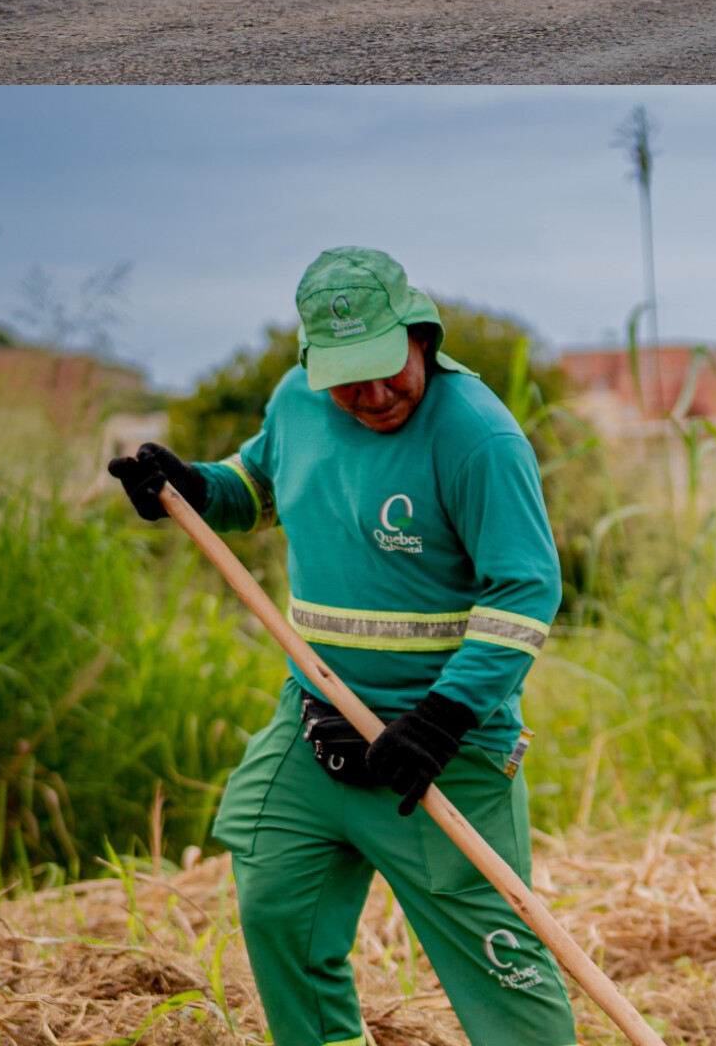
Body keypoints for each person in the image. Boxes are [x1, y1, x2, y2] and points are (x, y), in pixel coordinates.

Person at [106, 247, 572, 1046]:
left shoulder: (478, 436)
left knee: (501, 964)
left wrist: (442, 720)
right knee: (276, 901)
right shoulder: (296, 403)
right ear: (313, 365)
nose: (375, 393)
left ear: (421, 336)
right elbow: (259, 489)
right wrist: (194, 488)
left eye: (387, 368)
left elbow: (525, 591)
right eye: (349, 378)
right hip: (317, 721)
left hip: (440, 750)